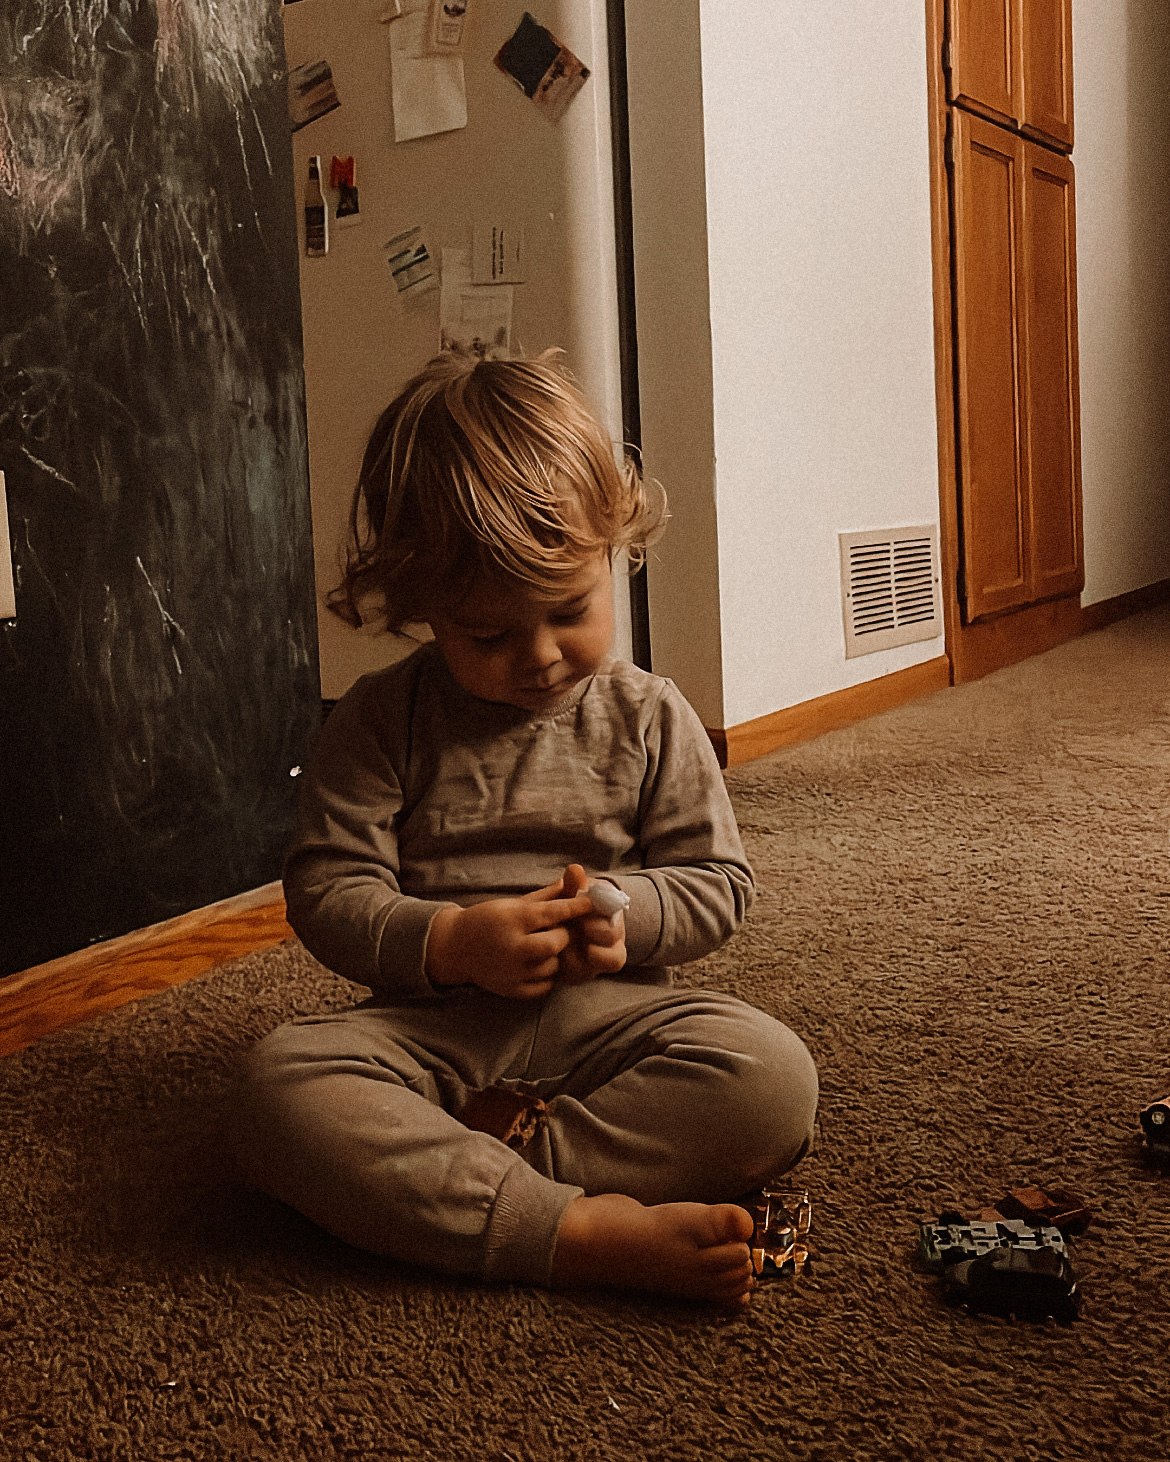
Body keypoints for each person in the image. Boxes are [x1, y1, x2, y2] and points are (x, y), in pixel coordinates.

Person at [232, 350, 818, 1308]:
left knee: (772, 1080)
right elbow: (328, 891)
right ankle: (572, 1229)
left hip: (613, 1022)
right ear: (421, 611)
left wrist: (625, 910)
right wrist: (454, 940)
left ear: (616, 552)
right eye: (489, 634)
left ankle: (481, 1180)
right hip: (424, 1036)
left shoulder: (650, 715)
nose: (541, 656)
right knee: (274, 1092)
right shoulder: (379, 721)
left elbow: (719, 884)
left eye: (570, 611)